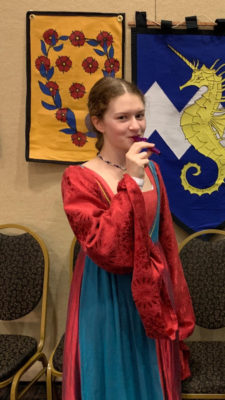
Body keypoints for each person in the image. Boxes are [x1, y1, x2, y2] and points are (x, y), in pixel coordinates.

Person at [61, 77, 195, 400]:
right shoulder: (79, 179)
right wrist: (130, 179)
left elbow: (165, 241)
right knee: (114, 380)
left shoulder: (154, 171)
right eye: (122, 117)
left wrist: (174, 299)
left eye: (139, 115)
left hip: (151, 293)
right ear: (98, 123)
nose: (135, 126)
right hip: (106, 293)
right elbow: (104, 246)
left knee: (151, 378)